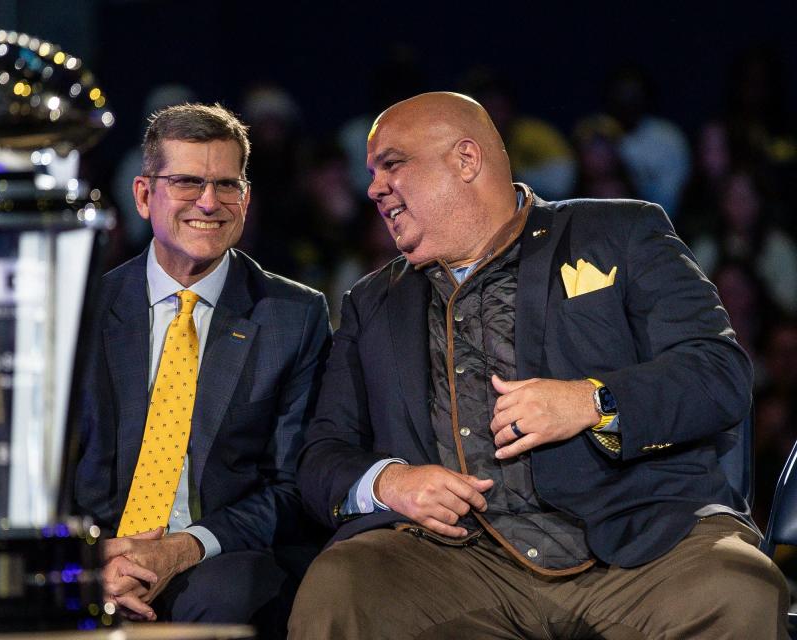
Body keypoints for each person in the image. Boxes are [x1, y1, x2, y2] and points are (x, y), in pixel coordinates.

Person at [289, 92, 787, 638]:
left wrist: (592, 401)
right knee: (343, 586)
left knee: (737, 588)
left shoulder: (620, 233)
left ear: (466, 160)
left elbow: (718, 374)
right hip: (460, 561)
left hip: (641, 547)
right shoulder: (373, 303)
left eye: (392, 165)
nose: (374, 189)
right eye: (371, 173)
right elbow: (322, 455)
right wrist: (391, 482)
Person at [75, 103, 331, 634]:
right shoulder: (82, 310)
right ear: (144, 196)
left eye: (227, 185)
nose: (209, 203)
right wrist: (103, 558)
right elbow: (50, 466)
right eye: (188, 182)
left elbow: (292, 486)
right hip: (95, 549)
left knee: (229, 598)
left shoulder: (295, 316)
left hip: (217, 551)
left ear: (247, 198)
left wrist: (183, 547)